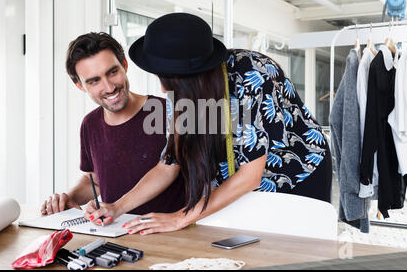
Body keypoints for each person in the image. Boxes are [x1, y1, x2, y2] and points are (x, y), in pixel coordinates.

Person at [84, 13, 332, 233]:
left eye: (169, 78)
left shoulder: (254, 73)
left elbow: (250, 176)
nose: (162, 87)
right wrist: (117, 207)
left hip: (296, 174)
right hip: (236, 182)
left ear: (194, 76)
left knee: (291, 255)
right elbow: (169, 164)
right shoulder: (181, 93)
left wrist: (180, 218)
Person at [40, 32, 185, 218]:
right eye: (94, 81)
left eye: (112, 72)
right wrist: (69, 198)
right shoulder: (89, 124)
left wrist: (116, 207)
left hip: (171, 237)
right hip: (115, 234)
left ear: (124, 65)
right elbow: (96, 180)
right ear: (80, 86)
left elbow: (170, 170)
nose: (109, 87)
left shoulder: (169, 112)